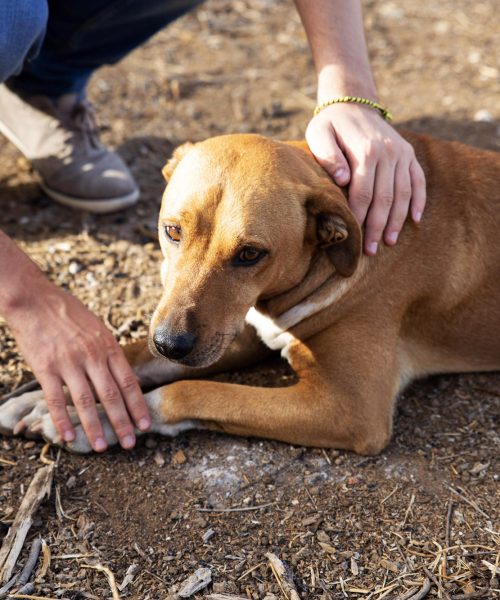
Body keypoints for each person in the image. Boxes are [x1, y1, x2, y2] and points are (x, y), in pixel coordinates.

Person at [0, 0, 426, 452]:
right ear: (172, 172)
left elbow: (356, 421)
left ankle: (45, 82)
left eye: (246, 255)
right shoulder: (279, 226)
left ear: (329, 235)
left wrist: (174, 403)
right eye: (175, 233)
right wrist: (28, 300)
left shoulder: (365, 232)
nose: (172, 328)